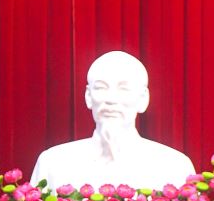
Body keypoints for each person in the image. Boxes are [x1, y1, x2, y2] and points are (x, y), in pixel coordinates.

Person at [30, 49, 196, 190]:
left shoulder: (174, 166)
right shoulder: (53, 163)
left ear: (143, 99)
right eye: (101, 87)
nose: (111, 99)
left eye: (124, 89)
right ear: (88, 96)